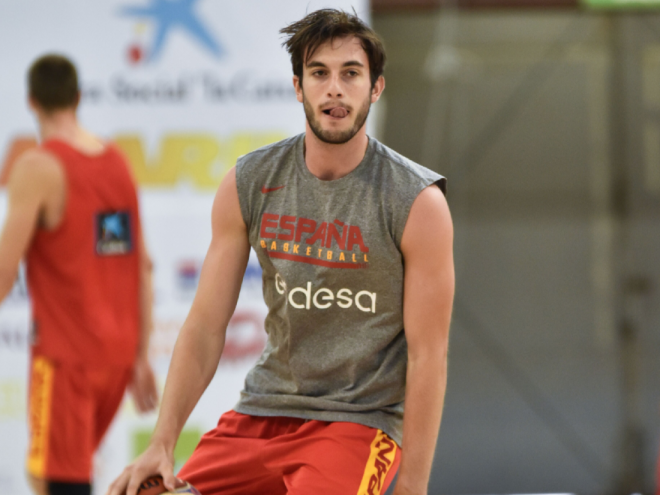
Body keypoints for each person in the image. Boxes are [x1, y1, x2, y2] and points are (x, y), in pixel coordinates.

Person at [108, 8, 454, 495]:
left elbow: (428, 356)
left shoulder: (417, 201)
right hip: (262, 413)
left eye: (351, 74)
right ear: (298, 87)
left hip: (358, 423)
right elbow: (206, 325)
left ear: (375, 88)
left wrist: (414, 488)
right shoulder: (251, 180)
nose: (335, 88)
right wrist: (162, 440)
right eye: (319, 73)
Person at [0, 54, 159, 495]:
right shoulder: (116, 163)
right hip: (117, 354)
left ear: (32, 102)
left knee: (56, 481)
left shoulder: (37, 166)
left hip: (67, 357)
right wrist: (142, 355)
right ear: (78, 97)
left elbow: (3, 269)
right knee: (50, 474)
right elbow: (142, 265)